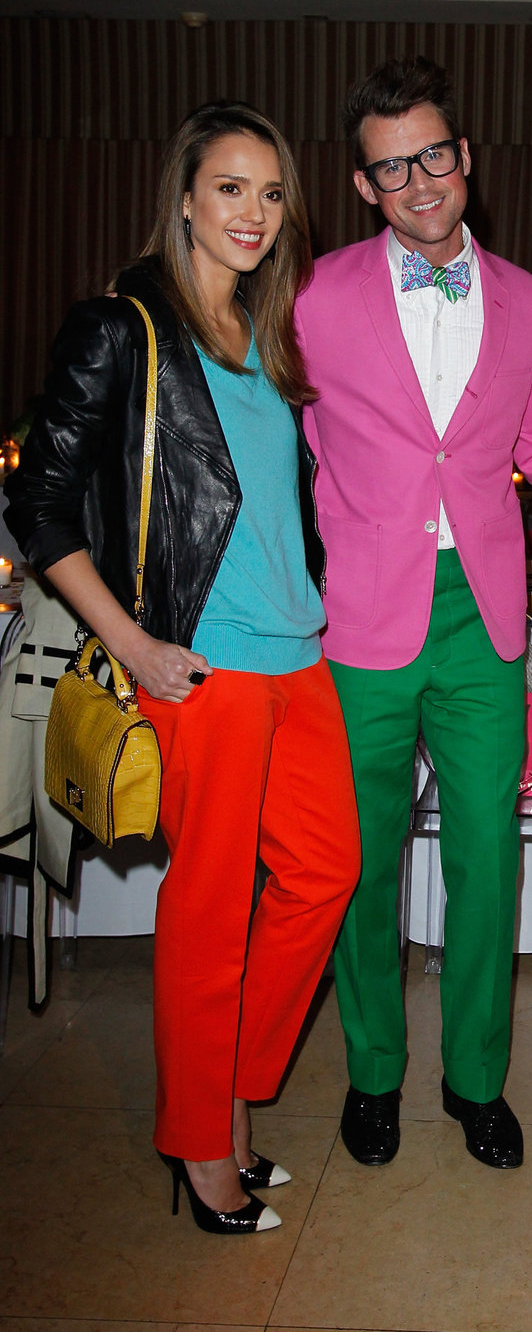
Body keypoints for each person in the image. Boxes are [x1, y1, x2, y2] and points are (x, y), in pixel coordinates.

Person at [4, 102, 361, 1234]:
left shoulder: (265, 336)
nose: (253, 212)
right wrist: (133, 642)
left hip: (297, 657)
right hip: (201, 666)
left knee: (325, 874)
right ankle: (204, 1147)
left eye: (271, 192)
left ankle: (229, 1094)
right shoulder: (123, 327)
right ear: (186, 198)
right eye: (229, 188)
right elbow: (38, 504)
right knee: (210, 908)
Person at [295, 57, 532, 1172]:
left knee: (488, 862)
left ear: (465, 157)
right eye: (390, 167)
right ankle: (373, 1074)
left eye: (432, 156)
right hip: (358, 615)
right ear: (362, 185)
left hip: (483, 617)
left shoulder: (529, 301)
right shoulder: (311, 296)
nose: (417, 182)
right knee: (361, 865)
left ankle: (475, 1082)